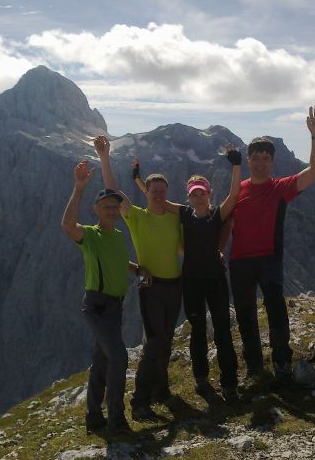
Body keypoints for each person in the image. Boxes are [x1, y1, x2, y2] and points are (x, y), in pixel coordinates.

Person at [223, 104, 315, 388]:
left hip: (269, 259)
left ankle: (281, 362)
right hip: (240, 262)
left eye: (265, 158)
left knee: (276, 311)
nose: (260, 162)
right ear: (248, 160)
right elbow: (225, 221)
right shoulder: (237, 190)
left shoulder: (280, 188)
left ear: (272, 162)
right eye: (255, 158)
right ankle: (255, 367)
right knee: (245, 316)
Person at [132, 147, 242, 403]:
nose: (199, 197)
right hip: (191, 282)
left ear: (208, 194)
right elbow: (155, 199)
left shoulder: (217, 215)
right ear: (190, 197)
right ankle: (201, 379)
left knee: (223, 331)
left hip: (214, 280)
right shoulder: (183, 213)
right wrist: (138, 177)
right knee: (198, 331)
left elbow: (235, 194)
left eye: (202, 193)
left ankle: (229, 383)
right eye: (195, 194)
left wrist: (236, 165)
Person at [94, 135, 182, 421]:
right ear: (146, 192)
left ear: (167, 192)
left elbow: (186, 244)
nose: (157, 194)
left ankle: (161, 390)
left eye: (162, 190)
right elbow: (113, 191)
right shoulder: (137, 217)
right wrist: (104, 157)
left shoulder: (174, 217)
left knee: (166, 340)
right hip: (151, 286)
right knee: (155, 342)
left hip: (174, 285)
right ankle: (140, 402)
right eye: (153, 190)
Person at [60, 159, 149, 434]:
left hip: (114, 307)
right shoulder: (90, 234)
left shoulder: (117, 235)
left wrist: (138, 270)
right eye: (106, 206)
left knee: (101, 362)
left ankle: (94, 419)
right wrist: (78, 188)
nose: (112, 210)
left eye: (114, 206)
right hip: (97, 306)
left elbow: (119, 262)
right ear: (95, 210)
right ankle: (117, 420)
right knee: (119, 358)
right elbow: (67, 225)